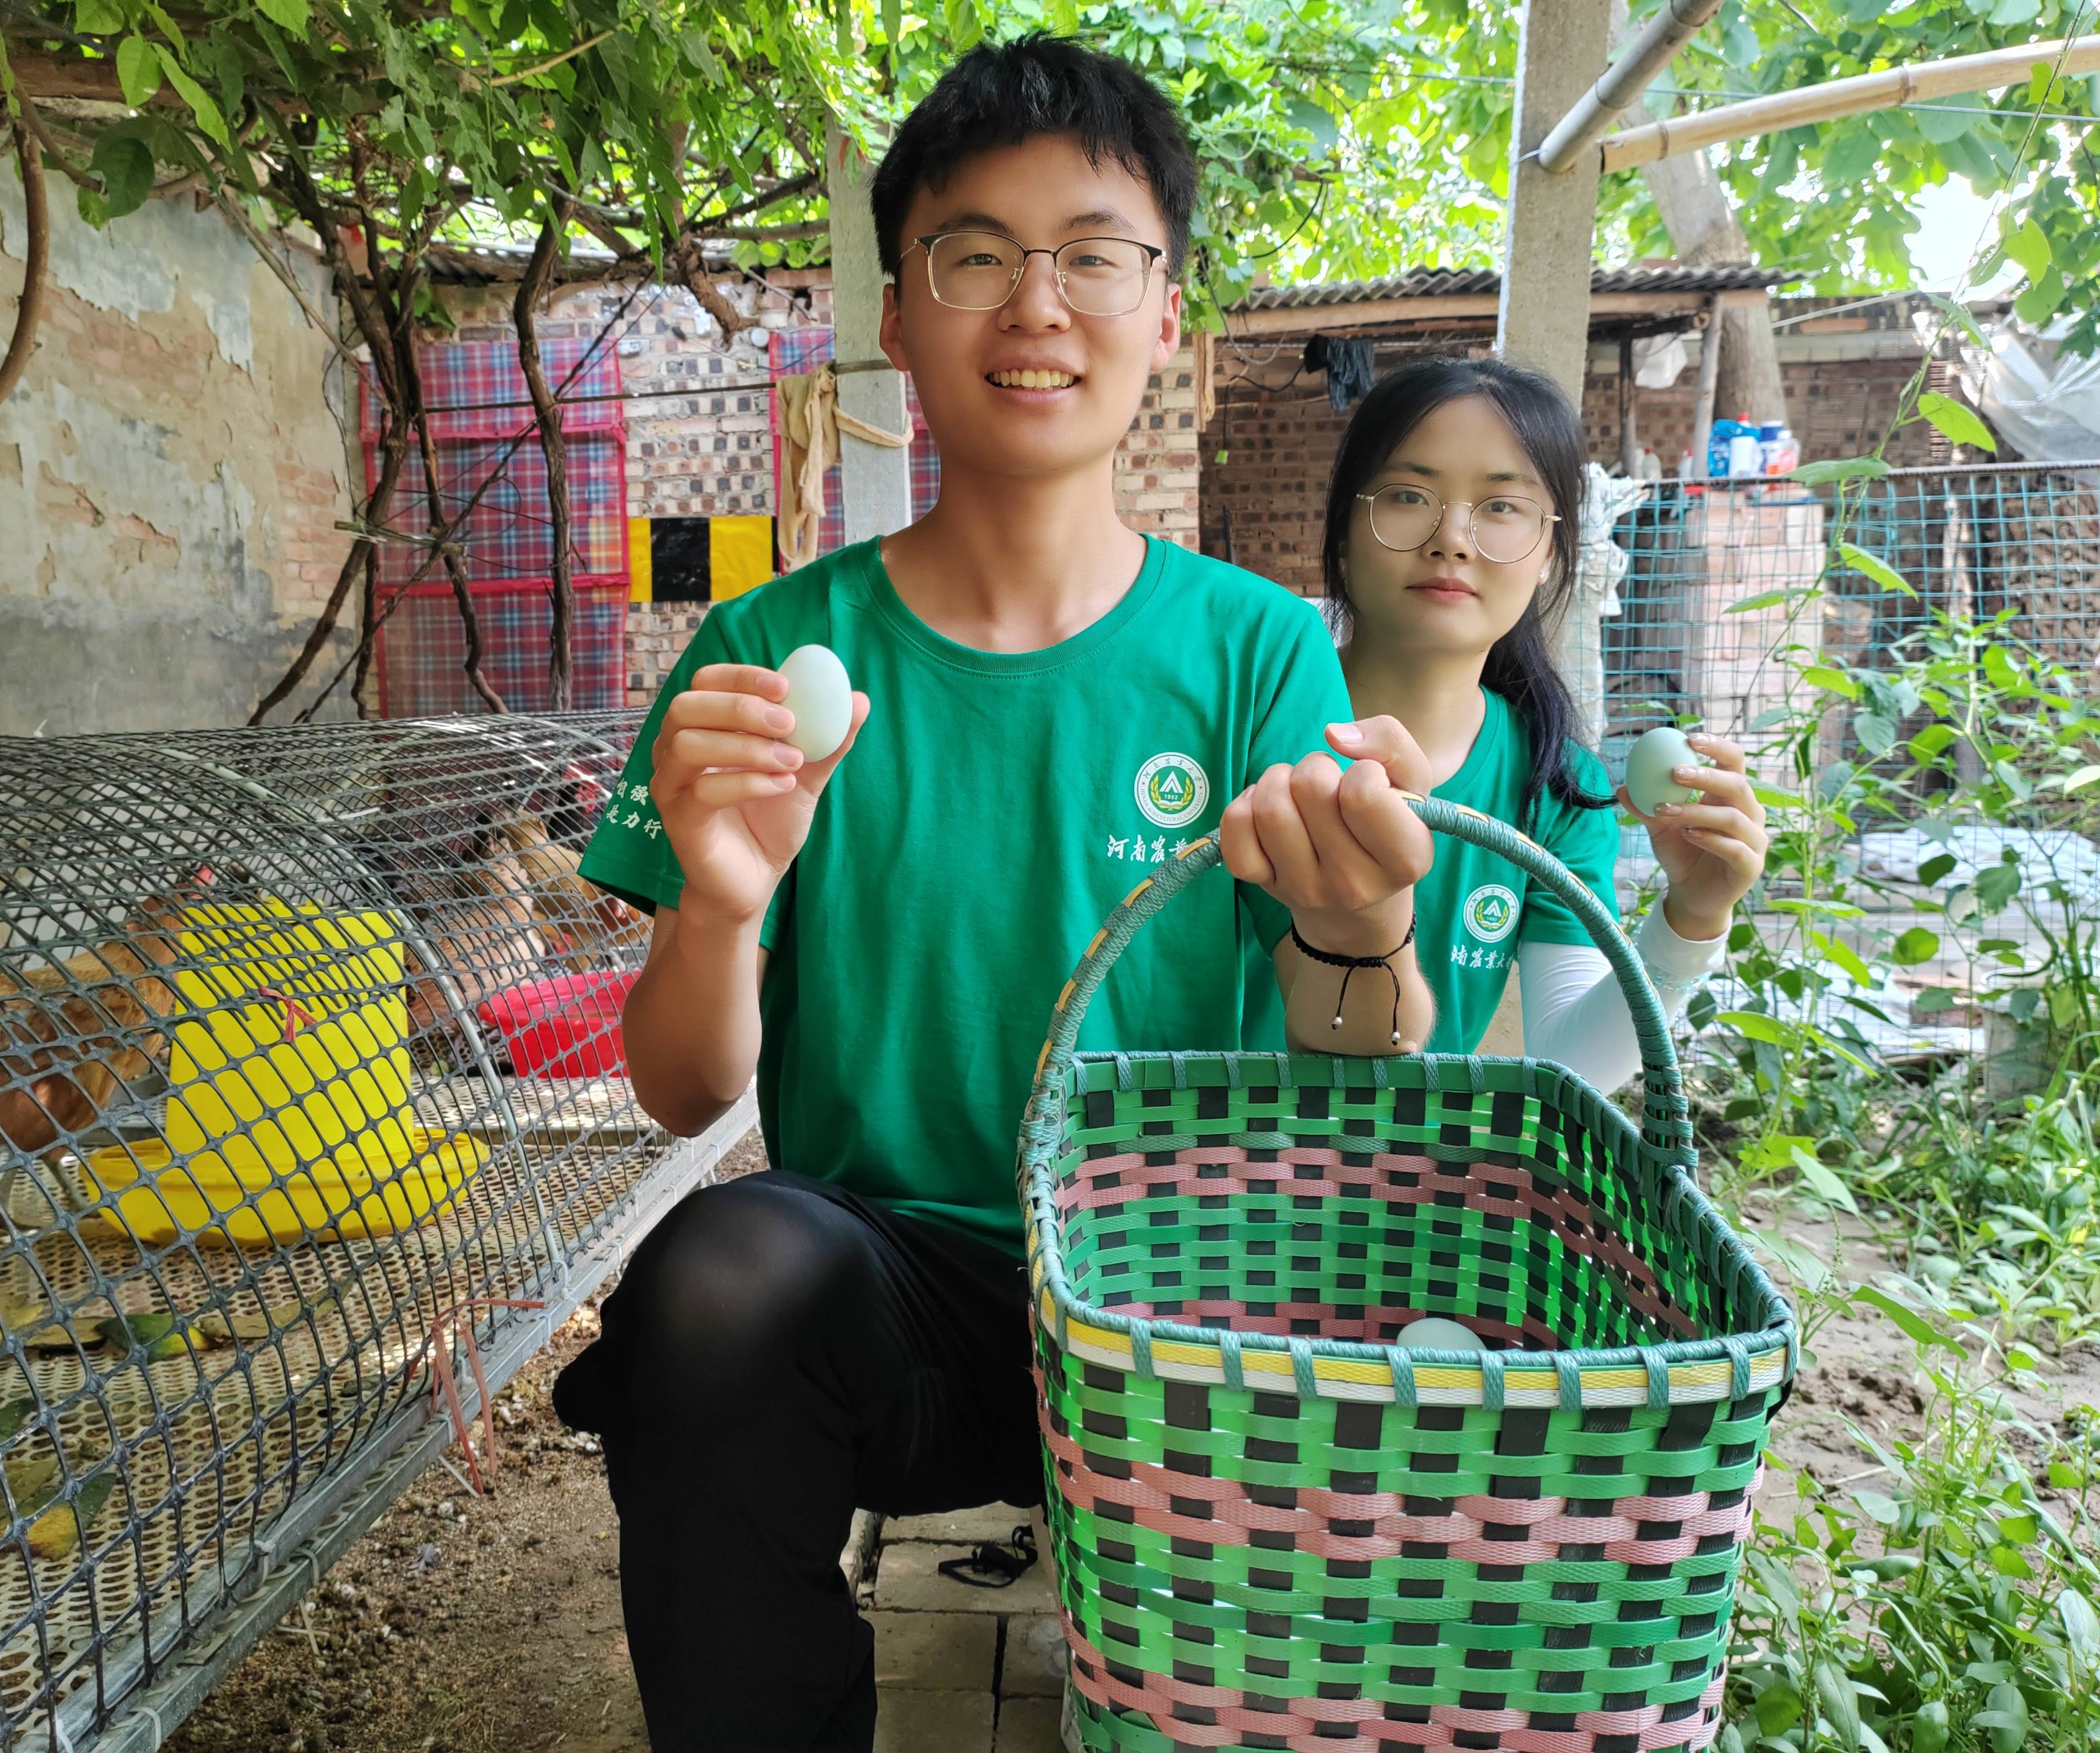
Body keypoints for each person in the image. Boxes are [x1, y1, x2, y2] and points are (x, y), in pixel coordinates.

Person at [553, 36, 1437, 1752]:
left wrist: (1358, 932)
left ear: (1166, 311)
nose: (1037, 305)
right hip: (898, 1304)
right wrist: (725, 906)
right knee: (717, 1275)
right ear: (896, 315)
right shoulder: (765, 657)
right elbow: (680, 1091)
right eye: (975, 255)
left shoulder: (1254, 650)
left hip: (1193, 1293)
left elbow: (1362, 1056)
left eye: (1094, 255)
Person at [1323, 357, 1770, 1085]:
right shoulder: (1251, 713)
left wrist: (1692, 915)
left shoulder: (1554, 787)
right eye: (1408, 494)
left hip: (1397, 1188)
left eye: (1502, 507)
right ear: (1345, 526)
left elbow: (1570, 1065)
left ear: (1548, 555)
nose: (1454, 539)